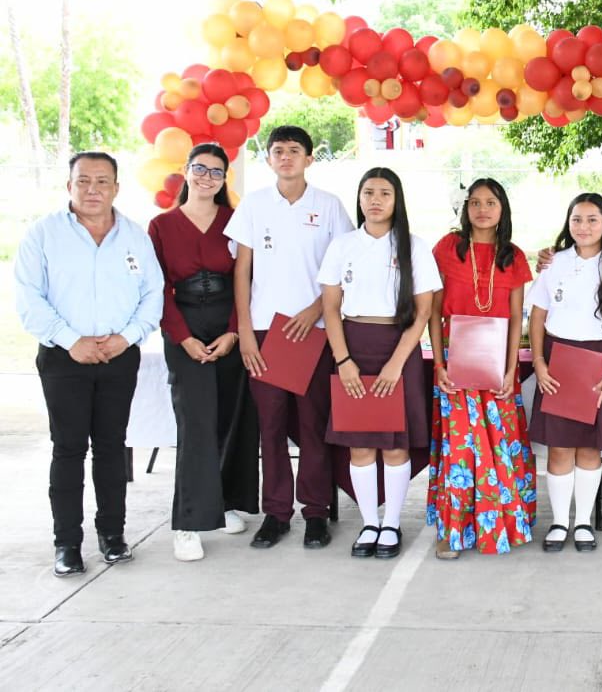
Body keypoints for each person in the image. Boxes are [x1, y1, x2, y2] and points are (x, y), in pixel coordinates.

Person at [16, 151, 163, 576]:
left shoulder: (135, 236)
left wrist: (126, 338)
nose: (92, 189)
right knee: (68, 449)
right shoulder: (43, 235)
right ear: (69, 186)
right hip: (64, 359)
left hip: (119, 356)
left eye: (102, 181)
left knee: (112, 448)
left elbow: (153, 294)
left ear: (116, 188)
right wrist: (71, 340)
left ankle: (113, 536)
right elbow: (29, 297)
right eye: (83, 181)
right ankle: (67, 543)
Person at [226, 125, 354, 550]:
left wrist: (316, 309)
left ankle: (316, 512)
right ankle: (276, 513)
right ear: (269, 159)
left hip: (313, 331)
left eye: (294, 150)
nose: (286, 157)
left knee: (313, 427)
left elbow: (342, 270)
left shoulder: (330, 206)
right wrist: (245, 332)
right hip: (266, 332)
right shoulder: (253, 206)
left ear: (309, 158)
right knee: (272, 429)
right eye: (278, 151)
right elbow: (241, 271)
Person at [319, 168, 441, 560]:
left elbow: (423, 312)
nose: (375, 200)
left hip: (397, 349)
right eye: (368, 192)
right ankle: (369, 522)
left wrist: (395, 364)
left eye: (384, 193)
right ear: (359, 199)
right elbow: (331, 308)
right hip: (353, 347)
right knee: (360, 446)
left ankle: (391, 524)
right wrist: (344, 361)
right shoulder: (342, 245)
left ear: (396, 200)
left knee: (394, 447)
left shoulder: (414, 247)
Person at [148, 143, 260, 562]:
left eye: (216, 172)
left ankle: (225, 503)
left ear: (224, 179)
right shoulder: (162, 225)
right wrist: (182, 336)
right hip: (185, 326)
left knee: (232, 416)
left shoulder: (236, 221)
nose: (207, 177)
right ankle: (189, 522)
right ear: (187, 171)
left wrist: (234, 332)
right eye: (200, 169)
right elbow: (156, 289)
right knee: (195, 422)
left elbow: (247, 279)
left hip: (228, 325)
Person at [426, 178, 536, 558]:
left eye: (491, 202)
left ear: (503, 208)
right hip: (455, 362)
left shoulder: (515, 256)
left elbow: (515, 316)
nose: (482, 209)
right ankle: (451, 531)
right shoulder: (447, 247)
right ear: (465, 207)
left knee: (497, 448)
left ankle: (501, 525)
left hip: (497, 368)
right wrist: (439, 364)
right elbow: (434, 310)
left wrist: (510, 371)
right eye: (475, 202)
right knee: (461, 451)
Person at [528, 193, 602, 552]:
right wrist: (540, 363)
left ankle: (582, 523)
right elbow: (537, 317)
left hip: (598, 362)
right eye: (577, 219)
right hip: (558, 361)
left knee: (590, 450)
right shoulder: (554, 263)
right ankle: (560, 522)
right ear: (568, 223)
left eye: (593, 219)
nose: (584, 227)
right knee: (560, 449)